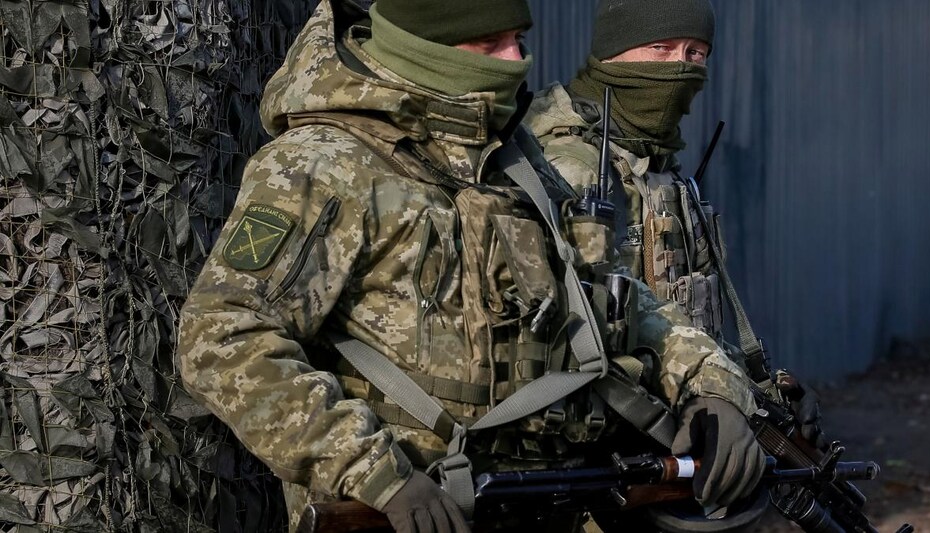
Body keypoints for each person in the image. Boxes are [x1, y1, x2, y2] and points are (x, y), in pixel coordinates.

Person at [177, 1, 765, 531]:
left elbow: (616, 296)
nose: (515, 61)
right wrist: (374, 473)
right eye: (489, 46)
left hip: (551, 501)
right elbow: (224, 336)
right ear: (425, 47)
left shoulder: (516, 162)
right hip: (409, 510)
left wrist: (709, 386)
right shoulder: (326, 165)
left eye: (517, 39)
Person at [524, 0, 825, 450]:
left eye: (695, 54)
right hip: (595, 447)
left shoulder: (654, 164)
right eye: (660, 48)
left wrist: (756, 390)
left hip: (674, 428)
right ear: (611, 52)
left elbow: (686, 310)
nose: (679, 69)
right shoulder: (565, 166)